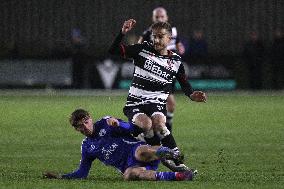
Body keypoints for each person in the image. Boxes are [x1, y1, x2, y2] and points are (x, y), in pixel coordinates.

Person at [108, 19, 207, 169]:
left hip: (156, 104)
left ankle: (178, 162)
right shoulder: (142, 50)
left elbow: (184, 83)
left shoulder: (176, 61)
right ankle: (154, 147)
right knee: (146, 124)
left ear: (169, 39)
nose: (156, 39)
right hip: (136, 102)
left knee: (160, 126)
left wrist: (192, 95)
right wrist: (122, 33)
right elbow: (114, 51)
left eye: (160, 36)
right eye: (154, 36)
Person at [43, 109, 196, 181]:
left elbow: (132, 128)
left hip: (139, 150)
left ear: (90, 118)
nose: (86, 127)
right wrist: (60, 177)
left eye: (86, 122)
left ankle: (172, 154)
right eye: (81, 126)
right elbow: (82, 173)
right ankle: (180, 176)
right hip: (130, 166)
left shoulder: (105, 122)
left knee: (140, 152)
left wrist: (118, 125)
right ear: (76, 129)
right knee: (129, 175)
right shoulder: (87, 147)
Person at [138, 7, 185, 133]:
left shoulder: (173, 31)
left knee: (171, 105)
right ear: (153, 18)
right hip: (154, 73)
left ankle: (165, 127)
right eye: (157, 17)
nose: (159, 19)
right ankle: (152, 131)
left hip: (169, 72)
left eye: (162, 17)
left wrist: (180, 48)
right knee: (157, 103)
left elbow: (179, 45)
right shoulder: (148, 33)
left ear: (167, 17)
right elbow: (138, 47)